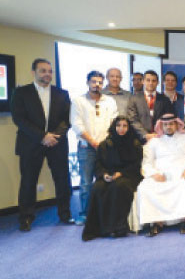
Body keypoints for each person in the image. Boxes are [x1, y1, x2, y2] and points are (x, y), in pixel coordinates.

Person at [11, 58, 73, 231]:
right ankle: (26, 217)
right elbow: (19, 119)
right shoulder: (21, 93)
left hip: (57, 143)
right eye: (43, 70)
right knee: (28, 181)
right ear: (34, 72)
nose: (47, 74)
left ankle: (65, 213)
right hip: (31, 143)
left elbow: (67, 119)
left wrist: (54, 136)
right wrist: (42, 136)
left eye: (50, 71)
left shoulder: (62, 93)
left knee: (62, 180)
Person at [136, 114, 185, 236]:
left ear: (177, 124)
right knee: (145, 188)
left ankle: (183, 220)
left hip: (183, 171)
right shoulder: (154, 142)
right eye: (165, 125)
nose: (168, 127)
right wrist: (154, 174)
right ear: (161, 126)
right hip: (161, 173)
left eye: (171, 124)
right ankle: (157, 222)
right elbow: (147, 162)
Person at [82, 116, 143, 240]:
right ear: (114, 127)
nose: (121, 129)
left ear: (128, 127)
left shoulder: (134, 143)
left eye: (124, 126)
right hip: (108, 174)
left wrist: (120, 173)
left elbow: (136, 165)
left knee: (119, 186)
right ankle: (99, 229)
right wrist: (104, 175)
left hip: (128, 175)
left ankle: (117, 228)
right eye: (118, 125)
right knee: (98, 188)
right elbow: (98, 164)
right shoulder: (105, 144)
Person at [70, 70, 118, 225]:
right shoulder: (78, 101)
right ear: (87, 82)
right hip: (86, 148)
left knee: (106, 180)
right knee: (85, 182)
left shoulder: (109, 101)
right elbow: (77, 125)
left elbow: (114, 122)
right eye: (93, 81)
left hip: (106, 147)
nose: (97, 85)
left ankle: (104, 212)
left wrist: (105, 144)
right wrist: (93, 142)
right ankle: (85, 214)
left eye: (99, 82)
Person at [127, 70, 175, 143]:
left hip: (161, 139)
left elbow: (169, 119)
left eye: (153, 81)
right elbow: (133, 120)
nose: (151, 83)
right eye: (148, 80)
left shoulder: (164, 100)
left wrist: (158, 133)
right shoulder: (134, 99)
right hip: (139, 139)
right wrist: (145, 134)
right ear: (143, 81)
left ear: (157, 83)